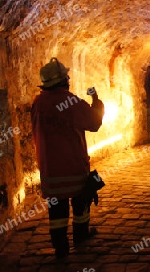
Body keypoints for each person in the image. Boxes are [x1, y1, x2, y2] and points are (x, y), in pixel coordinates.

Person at [31, 57, 104, 258]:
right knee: (81, 202)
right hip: (73, 166)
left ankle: (60, 247)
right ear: (63, 80)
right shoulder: (70, 101)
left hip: (50, 169)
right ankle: (80, 236)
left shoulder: (38, 103)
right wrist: (96, 101)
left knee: (56, 210)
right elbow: (94, 122)